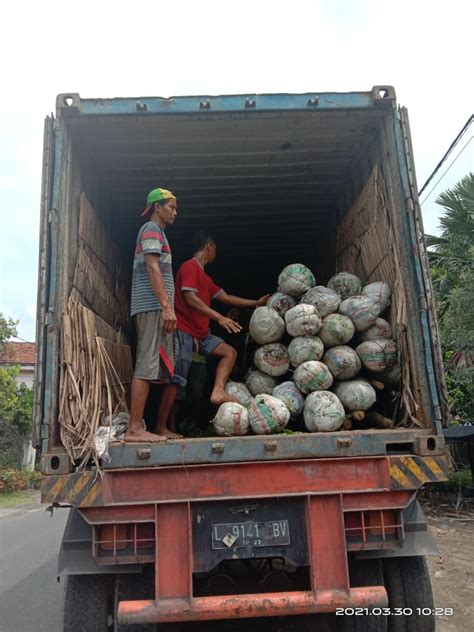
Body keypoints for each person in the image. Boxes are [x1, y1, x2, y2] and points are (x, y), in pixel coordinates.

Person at [155, 232, 269, 434]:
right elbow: (189, 298)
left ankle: (218, 390)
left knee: (229, 353)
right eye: (215, 248)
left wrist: (256, 303)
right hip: (184, 332)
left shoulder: (206, 278)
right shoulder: (189, 267)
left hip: (202, 335)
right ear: (209, 247)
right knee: (177, 381)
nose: (216, 252)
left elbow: (225, 297)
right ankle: (163, 427)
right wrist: (219, 318)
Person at [124, 188, 179, 442]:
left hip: (157, 306)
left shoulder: (158, 233)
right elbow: (152, 266)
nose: (174, 212)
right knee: (146, 364)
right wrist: (166, 306)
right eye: (171, 207)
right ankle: (135, 428)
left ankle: (157, 427)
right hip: (152, 306)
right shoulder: (151, 229)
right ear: (157, 207)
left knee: (159, 367)